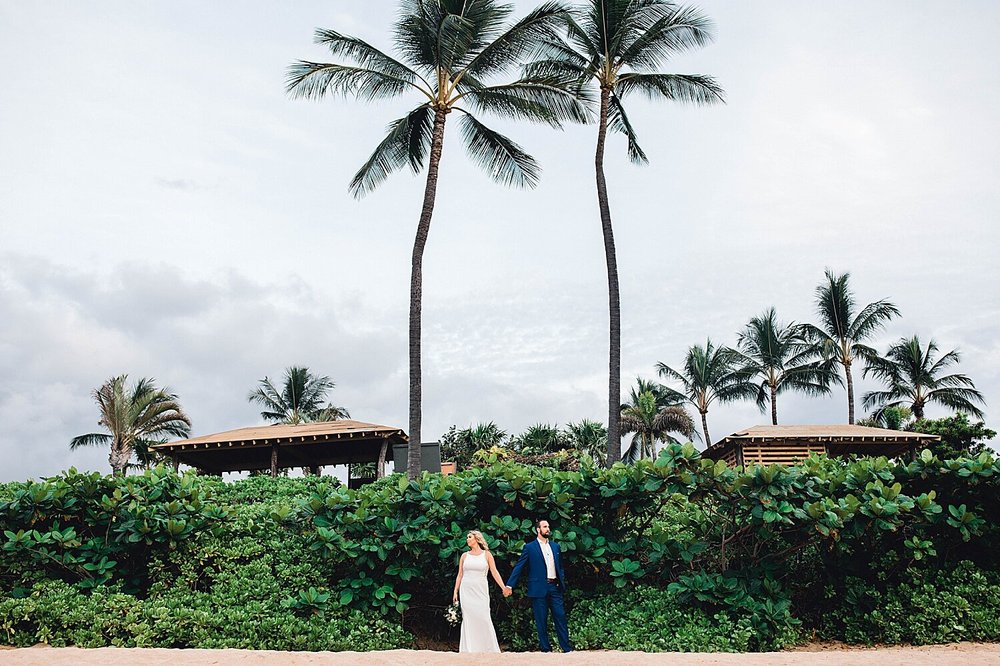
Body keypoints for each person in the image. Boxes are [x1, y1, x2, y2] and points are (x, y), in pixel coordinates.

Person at [503, 518, 573, 653]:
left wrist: (561, 579)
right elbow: (519, 566)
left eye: (548, 527)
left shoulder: (555, 546)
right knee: (541, 620)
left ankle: (566, 649)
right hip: (538, 588)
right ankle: (546, 650)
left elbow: (560, 567)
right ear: (538, 529)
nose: (548, 529)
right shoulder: (529, 547)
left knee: (560, 616)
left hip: (554, 586)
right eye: (545, 527)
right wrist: (510, 585)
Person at [452, 529, 506, 653]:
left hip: (480, 590)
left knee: (483, 616)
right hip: (466, 590)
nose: (467, 539)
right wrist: (455, 591)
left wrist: (503, 587)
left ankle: (488, 648)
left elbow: (494, 572)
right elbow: (460, 574)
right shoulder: (464, 556)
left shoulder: (487, 554)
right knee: (469, 618)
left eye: (469, 537)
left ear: (477, 539)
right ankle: (469, 649)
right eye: (467, 537)